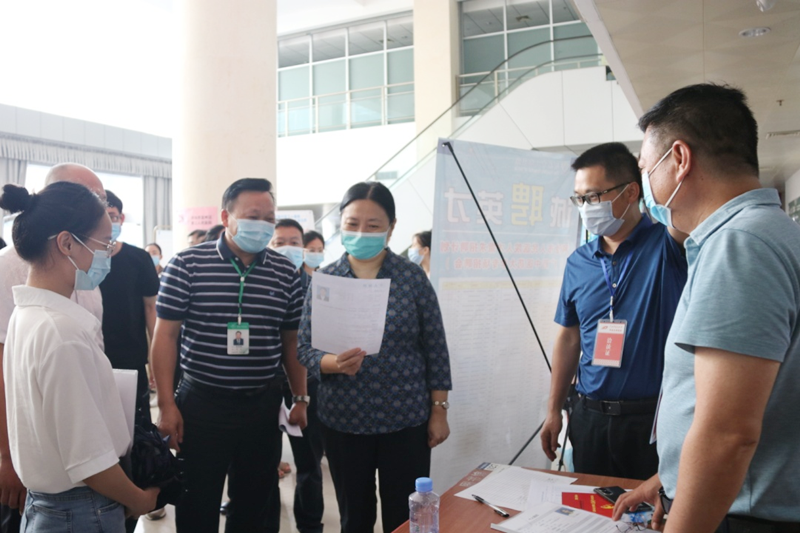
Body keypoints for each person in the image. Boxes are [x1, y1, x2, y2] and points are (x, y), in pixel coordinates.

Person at [613, 84, 800, 533]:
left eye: (646, 170)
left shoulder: (740, 245)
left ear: (679, 159)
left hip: (742, 515)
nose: (646, 189)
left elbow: (728, 434)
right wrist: (669, 481)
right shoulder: (766, 233)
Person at [0, 182, 159, 532]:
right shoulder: (61, 332)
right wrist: (139, 500)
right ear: (67, 243)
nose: (107, 255)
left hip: (50, 503)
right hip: (81, 508)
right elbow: (90, 462)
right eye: (103, 244)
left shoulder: (27, 315)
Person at [152, 178, 308, 533]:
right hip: (201, 405)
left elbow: (291, 341)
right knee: (196, 501)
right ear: (226, 217)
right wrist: (166, 404)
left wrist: (300, 397)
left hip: (262, 405)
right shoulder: (187, 264)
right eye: (253, 216)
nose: (263, 225)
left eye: (269, 218)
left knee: (254, 504)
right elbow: (165, 337)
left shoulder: (285, 272)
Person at [298, 181, 452, 533]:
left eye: (373, 225)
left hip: (405, 420)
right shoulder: (327, 279)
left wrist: (439, 411)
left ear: (391, 228)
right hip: (343, 420)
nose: (361, 233)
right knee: (355, 517)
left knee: (404, 516)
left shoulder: (411, 278)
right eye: (352, 224)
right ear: (340, 224)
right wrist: (333, 363)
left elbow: (436, 348)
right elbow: (304, 348)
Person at [540, 142, 688, 480]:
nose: (586, 207)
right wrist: (553, 410)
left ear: (631, 191)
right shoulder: (579, 262)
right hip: (590, 416)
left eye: (594, 196)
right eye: (580, 199)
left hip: (651, 419)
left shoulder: (668, 245)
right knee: (590, 504)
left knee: (650, 508)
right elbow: (568, 338)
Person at [0, 163, 107, 533]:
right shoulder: (13, 272)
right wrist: (8, 456)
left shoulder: (82, 272)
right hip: (53, 468)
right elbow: (5, 368)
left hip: (79, 442)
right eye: (92, 198)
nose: (103, 207)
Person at [268, 219, 325, 533]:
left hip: (306, 384)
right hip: (265, 384)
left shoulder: (319, 286)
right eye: (279, 243)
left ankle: (310, 524)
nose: (287, 249)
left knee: (309, 462)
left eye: (294, 242)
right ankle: (266, 522)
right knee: (264, 463)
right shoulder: (258, 282)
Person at [99, 191, 160, 425]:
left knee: (136, 425)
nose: (108, 222)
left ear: (121, 218)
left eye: (112, 216)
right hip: (93, 355)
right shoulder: (82, 259)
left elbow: (151, 309)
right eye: (102, 216)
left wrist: (155, 358)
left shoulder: (139, 258)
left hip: (131, 357)